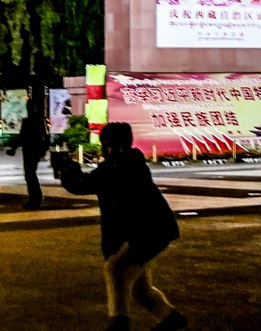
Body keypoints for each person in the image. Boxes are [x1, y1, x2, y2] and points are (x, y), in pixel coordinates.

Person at [58, 121, 187, 331]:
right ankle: (170, 318)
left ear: (114, 145)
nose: (104, 149)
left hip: (149, 232)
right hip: (152, 231)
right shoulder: (130, 163)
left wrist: (67, 169)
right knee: (139, 287)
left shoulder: (118, 166)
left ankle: (119, 322)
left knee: (116, 269)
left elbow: (84, 185)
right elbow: (89, 183)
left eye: (106, 144)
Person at [7, 99, 49, 209]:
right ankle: (35, 197)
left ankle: (35, 197)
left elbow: (22, 136)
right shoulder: (39, 120)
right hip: (34, 149)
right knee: (31, 174)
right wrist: (44, 149)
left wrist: (13, 148)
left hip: (30, 149)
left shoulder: (29, 121)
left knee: (29, 174)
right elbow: (45, 136)